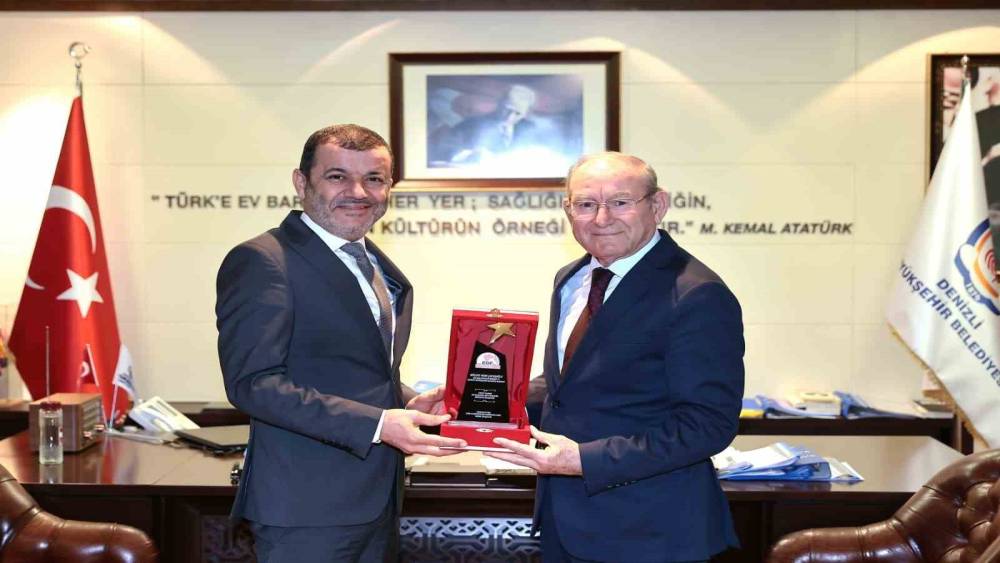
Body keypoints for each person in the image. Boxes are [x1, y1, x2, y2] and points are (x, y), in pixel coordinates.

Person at [215, 124, 465, 562]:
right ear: (301, 183)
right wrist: (378, 424)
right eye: (337, 177)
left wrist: (407, 403)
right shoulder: (263, 261)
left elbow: (353, 369)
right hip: (305, 508)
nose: (358, 192)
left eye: (374, 179)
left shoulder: (371, 261)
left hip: (376, 500)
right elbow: (253, 384)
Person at [486, 152, 745, 562]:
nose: (601, 218)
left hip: (651, 534)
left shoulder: (697, 294)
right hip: (565, 524)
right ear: (568, 211)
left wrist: (583, 460)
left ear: (658, 205)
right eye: (586, 204)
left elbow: (708, 424)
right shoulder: (572, 278)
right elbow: (568, 386)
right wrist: (480, 399)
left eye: (620, 202)